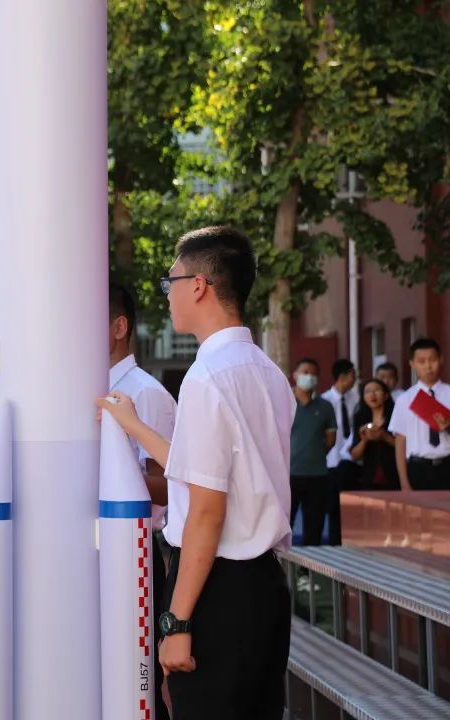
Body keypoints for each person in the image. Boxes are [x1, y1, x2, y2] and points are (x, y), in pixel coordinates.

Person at [99, 226, 292, 720]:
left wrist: (177, 619)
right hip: (263, 585)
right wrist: (135, 426)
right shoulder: (265, 371)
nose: (169, 295)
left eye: (172, 282)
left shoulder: (207, 377)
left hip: (216, 587)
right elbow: (202, 474)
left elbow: (207, 509)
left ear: (200, 285)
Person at [108, 282, 176, 720]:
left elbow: (170, 486)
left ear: (119, 326)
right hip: (97, 549)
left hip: (135, 553)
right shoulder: (83, 386)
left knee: (137, 684)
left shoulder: (145, 392)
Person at [389, 338, 450, 490]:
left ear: (441, 360)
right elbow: (400, 443)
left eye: (433, 360)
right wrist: (404, 483)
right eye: (421, 361)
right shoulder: (404, 399)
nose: (428, 366)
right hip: (418, 468)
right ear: (412, 364)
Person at [289, 358, 337, 546]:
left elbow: (330, 440)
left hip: (317, 475)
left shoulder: (325, 407)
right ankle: (284, 567)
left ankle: (308, 572)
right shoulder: (284, 402)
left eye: (312, 373)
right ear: (295, 375)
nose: (308, 376)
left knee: (314, 527)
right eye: (304, 372)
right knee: (284, 525)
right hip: (288, 475)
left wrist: (314, 454)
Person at [321, 359, 359, 544]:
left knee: (350, 509)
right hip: (331, 460)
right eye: (353, 374)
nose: (355, 378)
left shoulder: (356, 398)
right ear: (343, 376)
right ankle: (335, 544)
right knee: (333, 508)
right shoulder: (324, 400)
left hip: (350, 460)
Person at [349, 379, 400, 490]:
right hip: (369, 476)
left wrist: (384, 436)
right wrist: (364, 440)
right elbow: (354, 455)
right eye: (367, 392)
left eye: (377, 390)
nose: (372, 395)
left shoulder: (396, 415)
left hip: (395, 474)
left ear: (386, 395)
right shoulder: (360, 417)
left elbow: (405, 447)